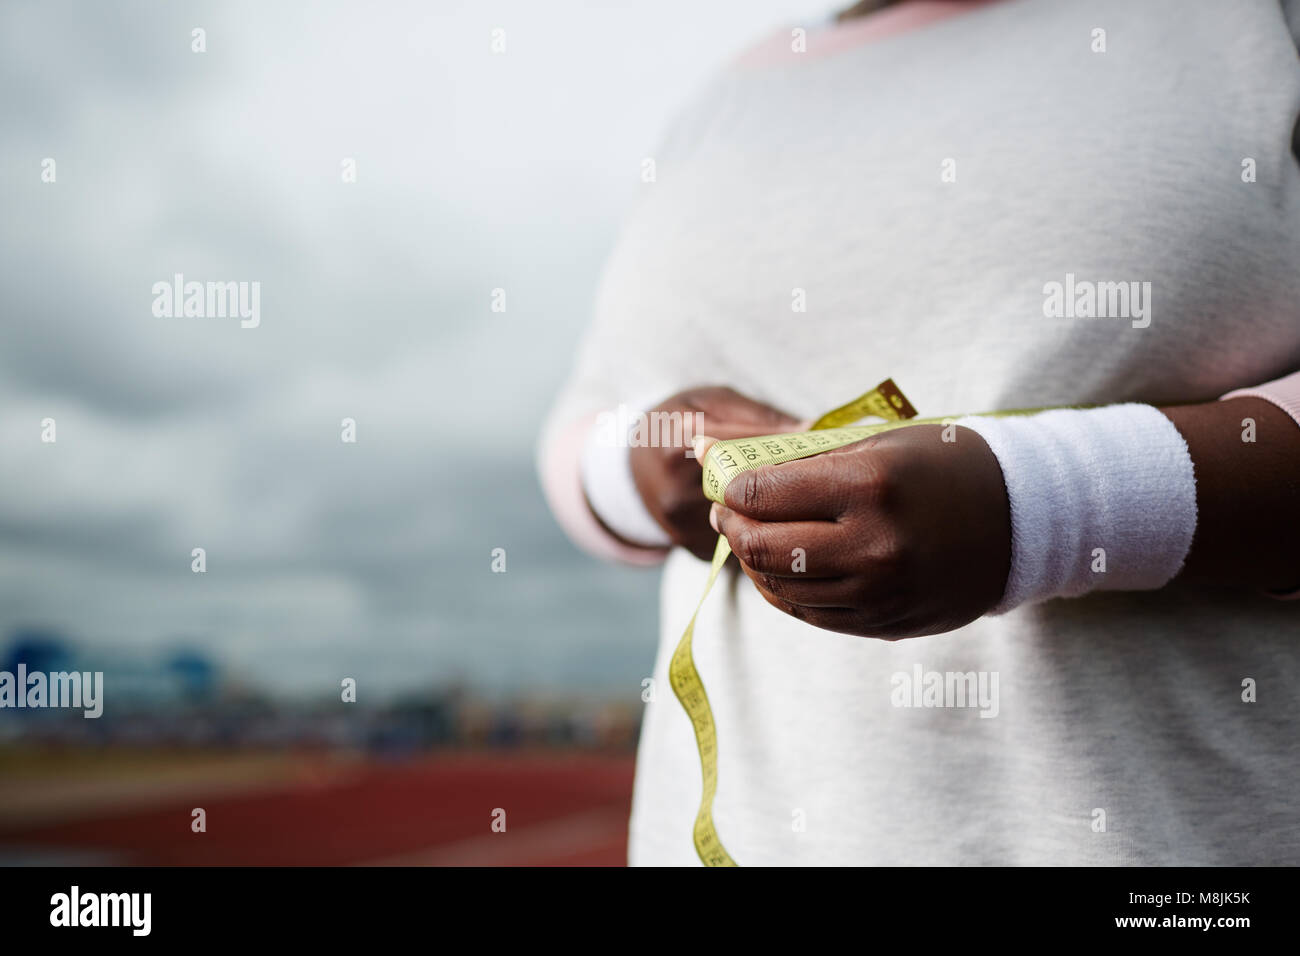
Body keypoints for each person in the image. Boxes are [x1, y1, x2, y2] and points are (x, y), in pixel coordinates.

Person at [538, 0, 1300, 865]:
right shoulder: (723, 97)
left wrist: (1043, 507)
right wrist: (636, 461)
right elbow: (581, 418)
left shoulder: (1252, 22)